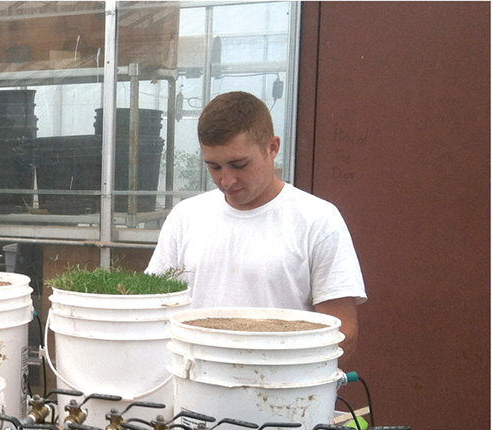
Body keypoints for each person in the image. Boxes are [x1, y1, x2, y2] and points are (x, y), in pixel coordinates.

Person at [145, 91, 365, 367]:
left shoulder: (317, 220)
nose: (226, 180)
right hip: (195, 390)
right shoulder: (186, 217)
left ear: (272, 147)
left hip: (280, 394)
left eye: (239, 164)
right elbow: (153, 308)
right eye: (214, 167)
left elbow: (344, 333)